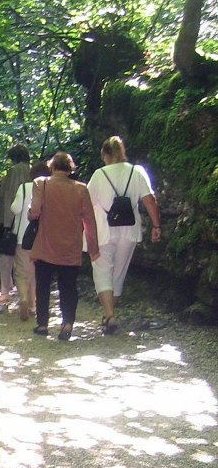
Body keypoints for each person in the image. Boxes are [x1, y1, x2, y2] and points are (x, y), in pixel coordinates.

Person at [87, 136, 162, 334]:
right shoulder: (137, 172)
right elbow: (149, 200)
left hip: (104, 231)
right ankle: (108, 315)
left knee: (102, 272)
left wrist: (83, 231)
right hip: (129, 231)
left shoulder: (99, 175)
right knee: (118, 274)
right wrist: (156, 225)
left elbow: (85, 205)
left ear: (105, 154)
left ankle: (109, 315)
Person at [28, 151, 100, 341]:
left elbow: (34, 212)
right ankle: (67, 323)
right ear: (70, 169)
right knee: (68, 286)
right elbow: (89, 221)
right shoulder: (81, 189)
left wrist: (30, 214)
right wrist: (93, 247)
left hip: (45, 244)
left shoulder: (41, 183)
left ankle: (42, 324)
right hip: (70, 246)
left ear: (52, 166)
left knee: (43, 285)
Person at [10, 160, 51, 321]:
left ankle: (23, 299)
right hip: (43, 238)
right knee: (36, 272)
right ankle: (33, 306)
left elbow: (15, 208)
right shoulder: (51, 188)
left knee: (21, 272)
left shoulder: (24, 188)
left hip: (24, 236)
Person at [0, 143, 31, 304]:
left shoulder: (13, 172)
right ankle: (28, 294)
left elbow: (8, 198)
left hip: (12, 220)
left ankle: (5, 291)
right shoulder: (33, 171)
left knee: (5, 256)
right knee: (27, 259)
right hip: (31, 221)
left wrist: (6, 223)